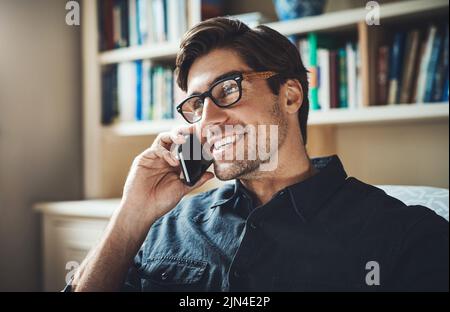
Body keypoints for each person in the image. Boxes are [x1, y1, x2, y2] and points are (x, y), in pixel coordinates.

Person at [67, 17, 448, 292]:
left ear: (291, 95)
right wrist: (131, 214)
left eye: (227, 90)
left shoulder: (404, 235)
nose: (209, 121)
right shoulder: (166, 224)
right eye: (195, 106)